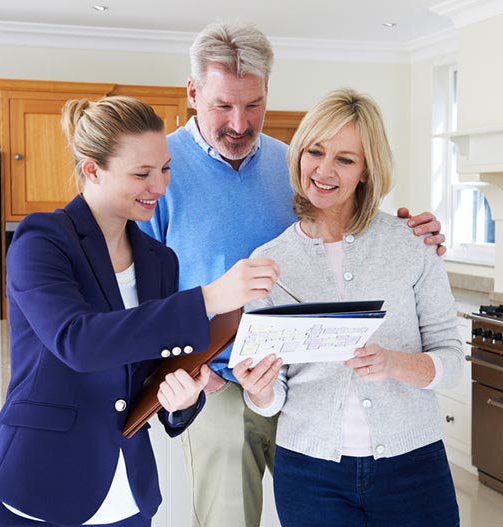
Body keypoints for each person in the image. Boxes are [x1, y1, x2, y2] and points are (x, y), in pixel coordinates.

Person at [139, 21, 448, 527]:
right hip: (216, 384)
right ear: (193, 93)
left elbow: (352, 238)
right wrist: (185, 372)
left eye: (253, 104)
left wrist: (418, 231)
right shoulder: (161, 172)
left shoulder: (296, 166)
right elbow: (138, 296)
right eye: (222, 106)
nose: (239, 123)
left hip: (307, 386)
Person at [0, 95, 279, 527]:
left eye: (165, 168)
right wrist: (209, 298)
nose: (160, 186)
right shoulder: (43, 240)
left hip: (127, 497)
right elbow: (78, 341)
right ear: (92, 169)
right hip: (38, 487)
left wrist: (182, 399)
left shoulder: (158, 259)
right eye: (142, 173)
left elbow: (150, 371)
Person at [233, 88, 463, 527]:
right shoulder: (269, 263)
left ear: (366, 170)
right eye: (315, 151)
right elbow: (271, 396)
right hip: (309, 473)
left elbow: (452, 363)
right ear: (299, 154)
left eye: (345, 158)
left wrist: (394, 364)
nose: (323, 170)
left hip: (413, 465)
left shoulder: (412, 244)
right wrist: (258, 389)